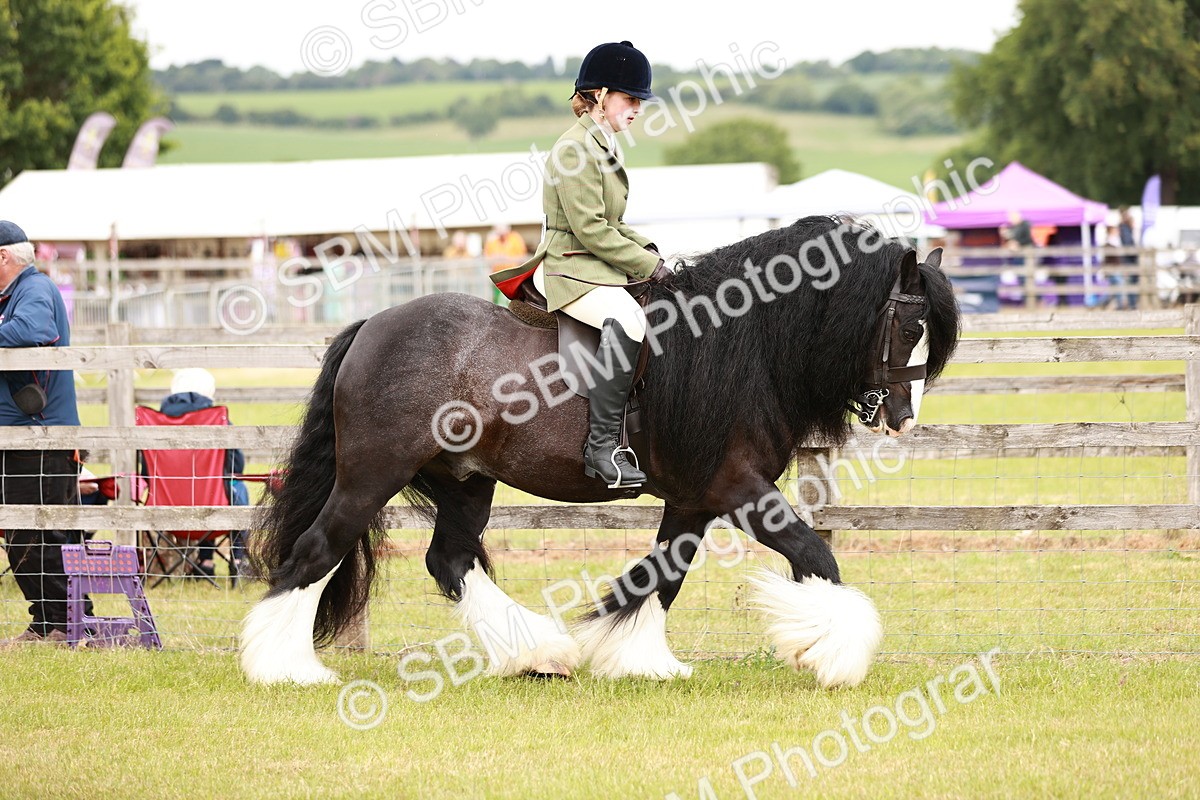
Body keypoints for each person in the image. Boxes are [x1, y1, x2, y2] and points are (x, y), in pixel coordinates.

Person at [490, 41, 670, 490]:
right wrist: (647, 266)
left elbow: (615, 224)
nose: (636, 110)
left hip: (595, 264)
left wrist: (656, 256)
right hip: (570, 267)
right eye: (630, 100)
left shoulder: (604, 144)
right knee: (628, 320)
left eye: (639, 102)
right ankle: (603, 447)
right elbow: (590, 231)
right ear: (601, 93)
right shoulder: (574, 150)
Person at [0, 220, 89, 646]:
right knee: (23, 533)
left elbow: (31, 331)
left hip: (39, 438)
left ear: (3, 257)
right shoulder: (15, 294)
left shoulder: (33, 290)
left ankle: (63, 623)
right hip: (23, 436)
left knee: (46, 533)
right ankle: (49, 621)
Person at [155, 368, 250, 578]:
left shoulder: (154, 423)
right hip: (212, 505)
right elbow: (238, 466)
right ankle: (238, 560)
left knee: (211, 488)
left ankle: (205, 563)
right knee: (230, 488)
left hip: (165, 509)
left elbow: (146, 473)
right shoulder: (218, 421)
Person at [483, 223, 528, 305]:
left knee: (512, 299)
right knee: (496, 300)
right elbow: (487, 257)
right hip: (497, 276)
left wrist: (506, 259)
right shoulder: (492, 240)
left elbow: (522, 256)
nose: (499, 232)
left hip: (512, 276)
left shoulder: (515, 238)